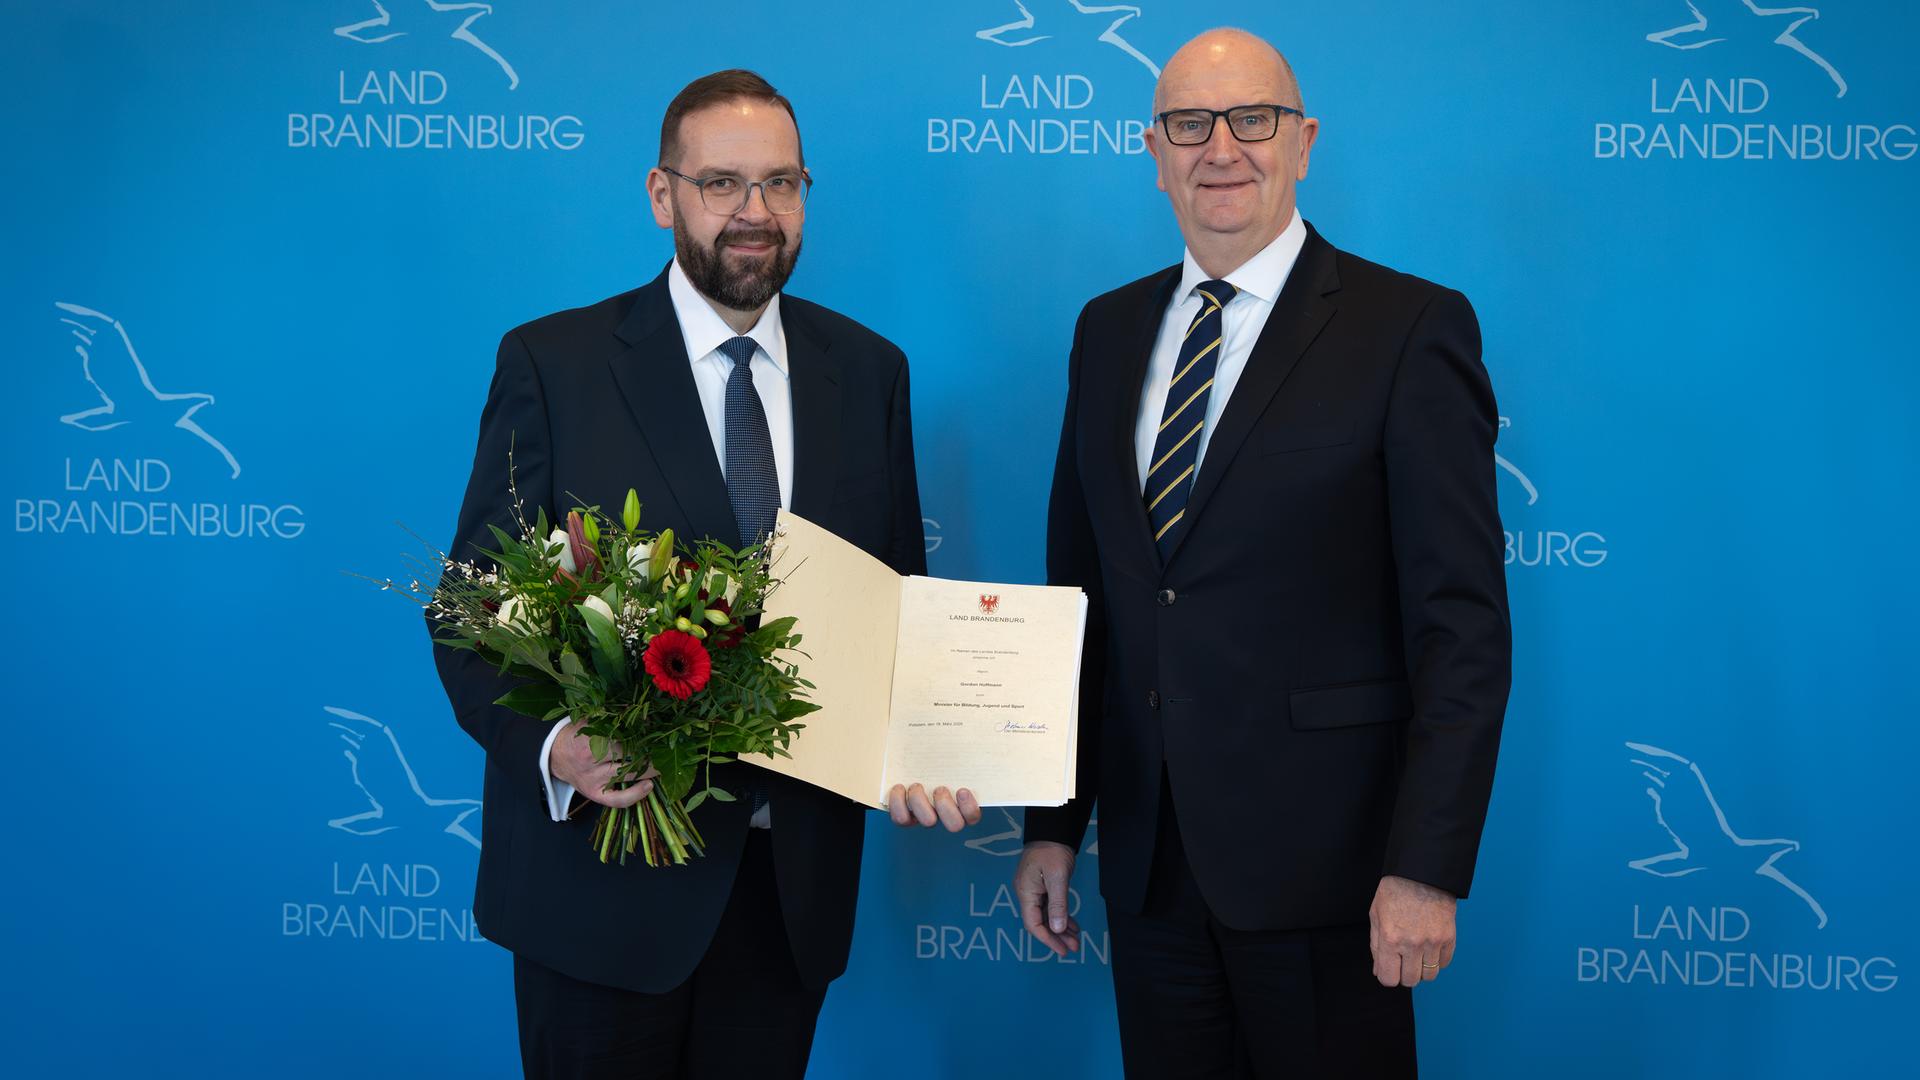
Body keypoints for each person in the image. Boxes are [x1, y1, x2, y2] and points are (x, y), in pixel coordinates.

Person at [434, 69, 978, 1080]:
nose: (755, 213)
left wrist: (932, 737)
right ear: (662, 194)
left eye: (781, 184)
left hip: (787, 895)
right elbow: (472, 608)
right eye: (723, 183)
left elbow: (900, 610)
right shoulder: (554, 364)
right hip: (601, 888)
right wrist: (557, 745)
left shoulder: (869, 373)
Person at [1015, 29, 1512, 1078]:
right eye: (1190, 124)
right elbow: (1083, 598)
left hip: (1334, 876)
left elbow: (1460, 626)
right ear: (1154, 150)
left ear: (1304, 141)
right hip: (1150, 870)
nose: (1221, 147)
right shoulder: (1105, 332)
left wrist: (1425, 869)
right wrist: (1052, 824)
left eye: (1254, 119)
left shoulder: (1408, 327)